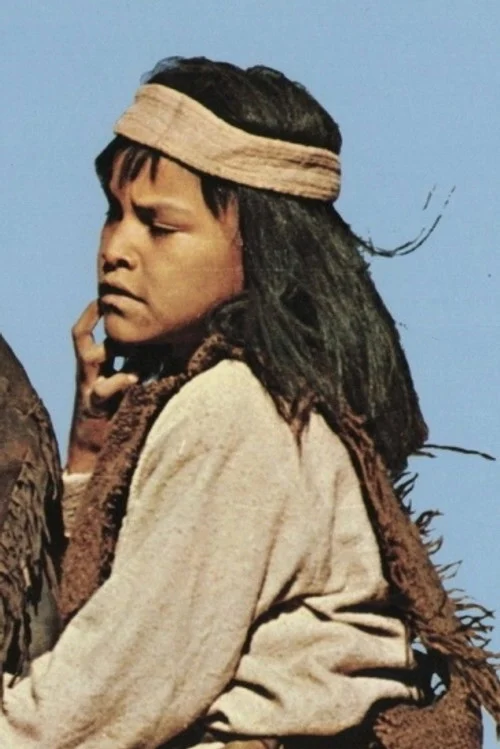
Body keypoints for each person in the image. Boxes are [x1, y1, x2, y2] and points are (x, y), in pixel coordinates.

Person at [0, 56, 498, 749]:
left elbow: (93, 706)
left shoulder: (233, 410)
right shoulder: (261, 400)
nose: (116, 249)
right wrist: (90, 450)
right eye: (115, 214)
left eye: (159, 225)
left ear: (261, 246)